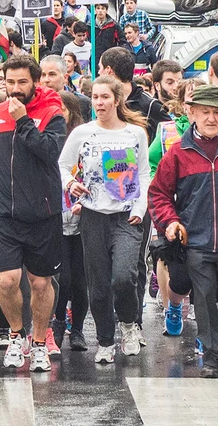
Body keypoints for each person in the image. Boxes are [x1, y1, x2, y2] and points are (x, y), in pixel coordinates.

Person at [149, 84, 218, 378]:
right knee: (204, 298)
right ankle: (212, 358)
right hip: (196, 241)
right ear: (192, 113)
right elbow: (159, 193)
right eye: (205, 112)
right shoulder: (178, 152)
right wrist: (170, 222)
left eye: (216, 112)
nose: (211, 118)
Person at [0, 55, 66, 373]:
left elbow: (50, 152)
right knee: (7, 280)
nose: (15, 88)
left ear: (35, 82)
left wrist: (24, 121)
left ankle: (39, 342)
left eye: (22, 82)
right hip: (2, 213)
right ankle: (16, 334)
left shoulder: (52, 113)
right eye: (9, 82)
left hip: (43, 212)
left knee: (40, 283)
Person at [59, 77, 150, 364]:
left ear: (117, 100)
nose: (99, 103)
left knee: (124, 277)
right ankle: (106, 341)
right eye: (95, 98)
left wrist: (140, 208)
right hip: (93, 216)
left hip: (126, 216)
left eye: (105, 97)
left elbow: (144, 173)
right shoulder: (83, 133)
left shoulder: (135, 134)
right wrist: (71, 183)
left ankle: (129, 324)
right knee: (97, 285)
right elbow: (62, 166)